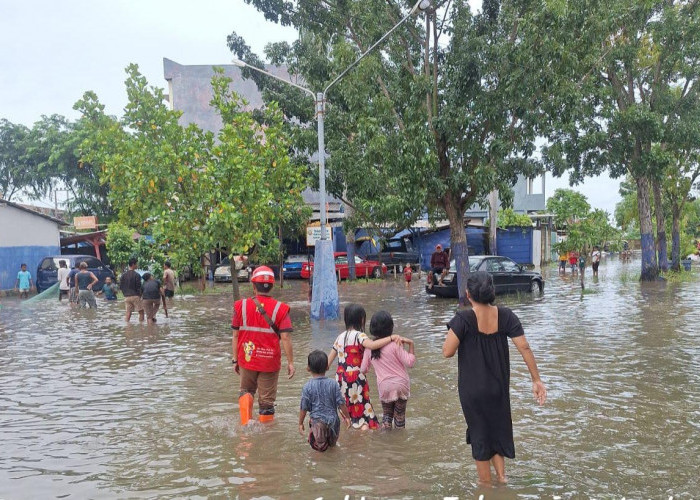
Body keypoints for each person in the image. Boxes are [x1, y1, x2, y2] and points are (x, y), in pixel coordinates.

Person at [442, 271, 546, 485]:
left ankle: (486, 485)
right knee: (496, 429)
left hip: (473, 391)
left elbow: (447, 351)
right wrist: (536, 380)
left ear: (468, 293)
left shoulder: (464, 318)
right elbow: (524, 347)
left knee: (480, 435)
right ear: (492, 292)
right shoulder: (506, 315)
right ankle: (502, 478)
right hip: (498, 387)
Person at [232, 265, 295, 425]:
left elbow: (235, 335)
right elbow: (286, 337)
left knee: (246, 391)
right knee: (266, 402)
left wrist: (235, 359)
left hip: (247, 358)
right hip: (269, 362)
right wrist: (291, 362)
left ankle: (246, 428)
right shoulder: (282, 309)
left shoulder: (240, 306)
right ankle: (266, 438)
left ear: (253, 286)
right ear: (272, 286)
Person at [327, 303, 402, 430]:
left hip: (340, 379)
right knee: (363, 410)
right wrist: (391, 338)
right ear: (361, 319)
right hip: (356, 378)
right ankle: (364, 436)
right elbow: (372, 346)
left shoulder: (339, 337)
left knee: (349, 409)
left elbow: (328, 363)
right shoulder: (359, 335)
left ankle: (351, 436)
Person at [360, 311, 415, 429]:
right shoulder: (395, 345)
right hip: (401, 385)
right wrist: (411, 344)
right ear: (390, 328)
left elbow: (363, 369)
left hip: (384, 386)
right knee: (399, 416)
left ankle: (386, 442)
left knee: (387, 416)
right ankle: (400, 442)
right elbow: (410, 362)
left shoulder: (369, 349)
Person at [298, 350, 351, 452]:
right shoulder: (333, 383)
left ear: (308, 368)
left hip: (318, 423)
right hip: (334, 421)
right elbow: (341, 403)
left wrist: (300, 423)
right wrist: (347, 417)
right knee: (332, 447)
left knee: (319, 451)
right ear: (327, 367)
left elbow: (303, 408)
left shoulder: (307, 386)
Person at [120, 257, 144, 322]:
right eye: (136, 264)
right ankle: (141, 326)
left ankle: (127, 327)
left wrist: (125, 294)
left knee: (128, 313)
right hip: (135, 296)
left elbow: (121, 287)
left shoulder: (123, 275)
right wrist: (140, 296)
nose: (137, 265)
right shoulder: (137, 275)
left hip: (126, 297)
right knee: (141, 312)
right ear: (133, 264)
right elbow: (139, 287)